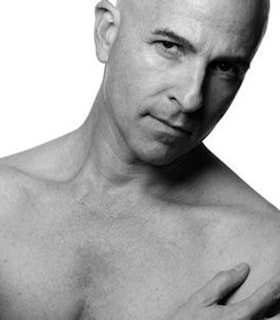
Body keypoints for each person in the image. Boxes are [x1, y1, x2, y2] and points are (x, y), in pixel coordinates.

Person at [0, 0, 279, 319]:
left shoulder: (265, 259)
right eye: (171, 46)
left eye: (225, 68)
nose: (191, 98)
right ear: (106, 32)